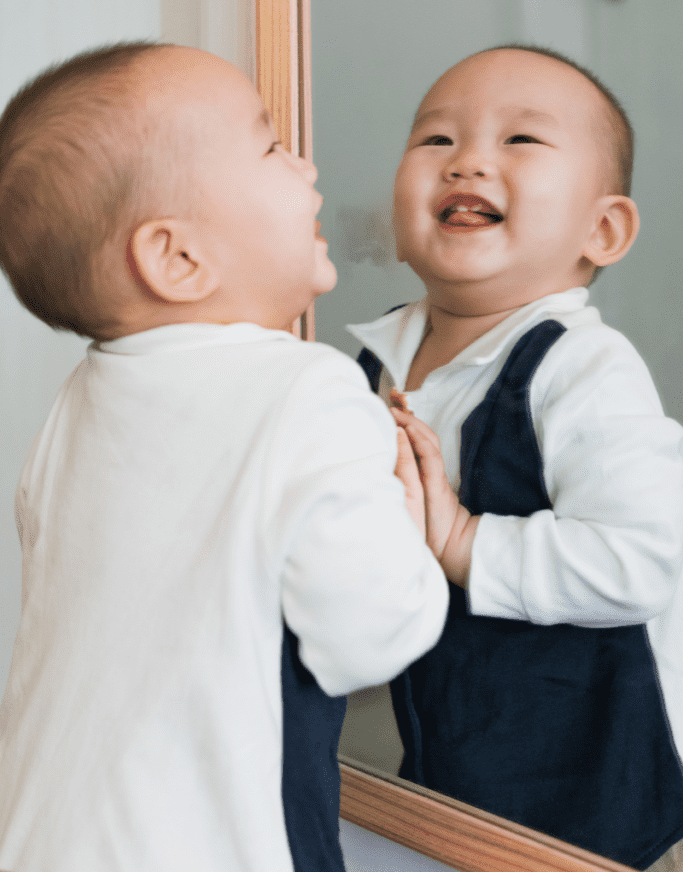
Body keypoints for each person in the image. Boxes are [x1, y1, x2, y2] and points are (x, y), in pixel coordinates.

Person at [0, 42, 449, 872]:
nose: (307, 165)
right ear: (177, 258)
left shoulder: (74, 408)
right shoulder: (307, 389)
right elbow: (367, 639)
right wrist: (414, 533)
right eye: (271, 146)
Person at [349, 45, 683, 872]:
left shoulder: (581, 369)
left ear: (601, 229)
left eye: (520, 141)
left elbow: (643, 560)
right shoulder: (367, 365)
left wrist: (463, 543)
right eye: (434, 140)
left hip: (585, 782)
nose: (466, 159)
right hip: (438, 763)